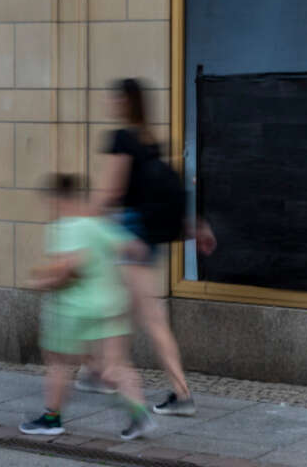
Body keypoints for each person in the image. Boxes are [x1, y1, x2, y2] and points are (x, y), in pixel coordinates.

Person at [81, 78, 216, 417]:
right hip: (146, 239)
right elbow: (168, 191)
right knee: (118, 310)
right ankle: (101, 370)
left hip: (129, 238)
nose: (110, 102)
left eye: (114, 97)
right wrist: (195, 226)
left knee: (148, 317)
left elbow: (109, 194)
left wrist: (79, 221)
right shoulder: (150, 142)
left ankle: (178, 393)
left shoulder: (123, 139)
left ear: (125, 102)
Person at [19, 173, 157, 441]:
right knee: (114, 367)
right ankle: (140, 416)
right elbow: (135, 248)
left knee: (58, 363)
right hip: (113, 304)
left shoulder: (65, 227)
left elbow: (68, 268)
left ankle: (51, 420)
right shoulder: (98, 224)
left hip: (75, 310)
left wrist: (40, 282)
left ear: (57, 199)